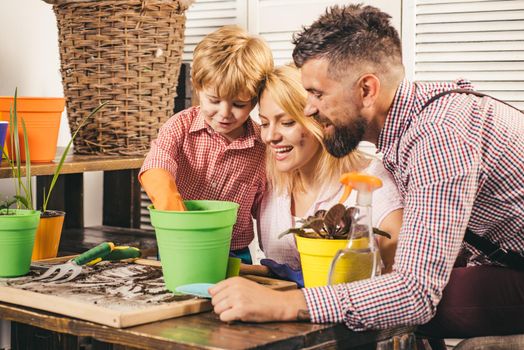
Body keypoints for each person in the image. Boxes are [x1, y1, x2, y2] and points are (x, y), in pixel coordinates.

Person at [209, 4, 524, 339]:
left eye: (317, 93)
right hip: (503, 261)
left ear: (367, 90)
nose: (309, 108)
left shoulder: (438, 135)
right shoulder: (410, 129)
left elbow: (415, 293)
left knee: (423, 302)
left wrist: (289, 304)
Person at [139, 25, 273, 263]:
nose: (225, 113)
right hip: (179, 245)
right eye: (214, 100)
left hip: (235, 253)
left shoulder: (263, 147)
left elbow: (268, 210)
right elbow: (156, 167)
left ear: (255, 101)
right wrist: (179, 222)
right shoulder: (179, 126)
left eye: (239, 104)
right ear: (197, 87)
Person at [256, 65, 403, 276]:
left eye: (287, 123)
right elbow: (282, 275)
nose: (270, 136)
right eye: (264, 123)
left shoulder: (372, 183)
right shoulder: (271, 187)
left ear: (319, 120)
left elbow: (399, 277)